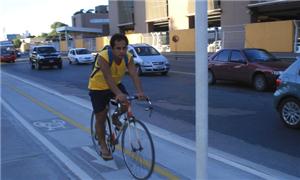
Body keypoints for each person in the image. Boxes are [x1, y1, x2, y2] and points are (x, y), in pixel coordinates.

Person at [88, 33, 146, 160]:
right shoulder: (103, 57)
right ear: (112, 48)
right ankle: (103, 144)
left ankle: (115, 117)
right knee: (101, 117)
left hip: (116, 84)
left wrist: (140, 91)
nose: (122, 51)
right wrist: (118, 94)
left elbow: (134, 75)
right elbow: (108, 78)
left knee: (126, 104)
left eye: (124, 48)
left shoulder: (128, 58)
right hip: (98, 87)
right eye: (118, 48)